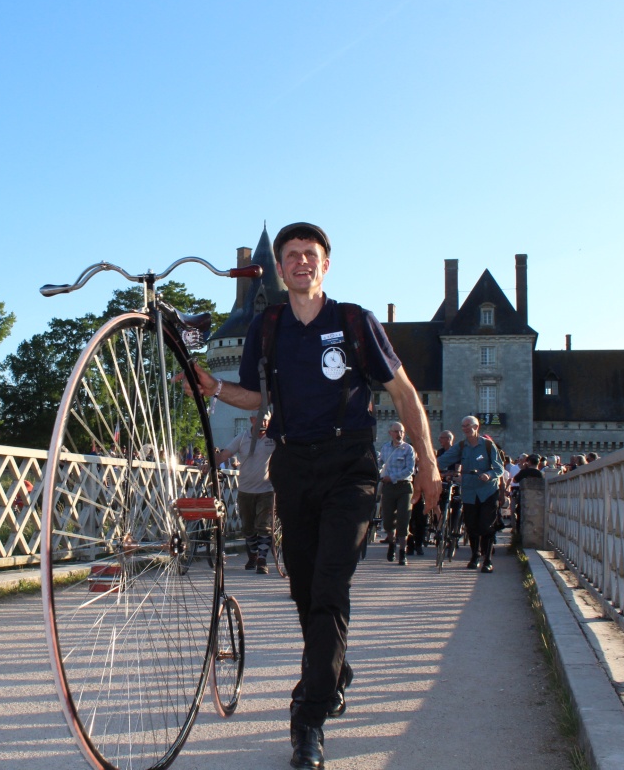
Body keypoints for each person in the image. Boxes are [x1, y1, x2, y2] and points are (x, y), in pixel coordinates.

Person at [184, 222, 439, 770]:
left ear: (326, 264)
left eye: (311, 254)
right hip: (293, 465)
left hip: (350, 466)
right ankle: (334, 668)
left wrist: (428, 463)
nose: (302, 261)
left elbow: (403, 393)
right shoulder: (268, 326)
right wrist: (214, 387)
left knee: (328, 587)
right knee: (304, 589)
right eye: (292, 255)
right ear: (280, 269)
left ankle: (308, 717)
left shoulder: (354, 321)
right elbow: (255, 397)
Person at [438, 416, 505, 573]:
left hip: (487, 491)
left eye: (468, 425)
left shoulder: (488, 445)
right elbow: (443, 460)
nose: (466, 428)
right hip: (469, 492)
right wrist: (428, 464)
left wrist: (488, 475)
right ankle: (475, 556)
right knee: (471, 526)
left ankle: (487, 560)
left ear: (476, 427)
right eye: (463, 426)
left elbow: (499, 468)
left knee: (486, 526)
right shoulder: (461, 446)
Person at [213, 412, 276, 574]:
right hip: (245, 489)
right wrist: (209, 463)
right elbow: (225, 455)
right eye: (261, 420)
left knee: (264, 525)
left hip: (267, 489)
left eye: (267, 420)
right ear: (252, 420)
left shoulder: (273, 438)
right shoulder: (242, 438)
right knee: (248, 527)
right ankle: (253, 555)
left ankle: (262, 560)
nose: (264, 423)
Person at [378, 421, 415, 565]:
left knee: (403, 519)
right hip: (388, 488)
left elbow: (409, 469)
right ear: (390, 433)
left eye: (401, 431)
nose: (399, 434)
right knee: (388, 520)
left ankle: (402, 552)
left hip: (404, 487)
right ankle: (392, 544)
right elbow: (380, 463)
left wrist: (392, 477)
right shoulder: (385, 448)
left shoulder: (408, 449)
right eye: (396, 431)